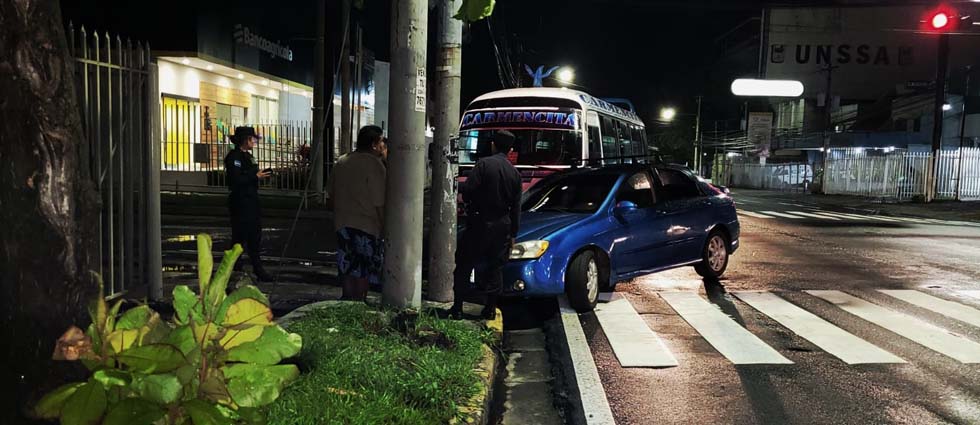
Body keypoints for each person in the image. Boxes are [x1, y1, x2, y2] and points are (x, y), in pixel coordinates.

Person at [448, 130, 522, 320]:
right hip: (502, 226)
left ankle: (457, 308)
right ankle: (489, 308)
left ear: (492, 145)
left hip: (479, 222)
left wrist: (457, 185)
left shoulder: (483, 165)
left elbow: (470, 188)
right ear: (510, 149)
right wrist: (513, 234)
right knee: (495, 268)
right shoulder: (514, 173)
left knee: (464, 265)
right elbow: (516, 208)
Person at [329, 125, 387, 301]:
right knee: (363, 268)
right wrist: (384, 225)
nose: (384, 145)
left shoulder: (342, 161)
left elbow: (330, 192)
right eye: (382, 141)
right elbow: (379, 202)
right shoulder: (375, 166)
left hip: (342, 222)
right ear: (374, 144)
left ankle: (347, 299)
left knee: (347, 264)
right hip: (366, 225)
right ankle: (359, 301)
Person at [224, 126, 273, 282]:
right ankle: (236, 268)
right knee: (240, 236)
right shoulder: (234, 157)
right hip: (240, 201)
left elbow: (251, 174)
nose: (254, 142)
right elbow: (236, 180)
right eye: (252, 139)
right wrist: (255, 176)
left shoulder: (249, 156)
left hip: (251, 200)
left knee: (254, 235)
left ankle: (252, 268)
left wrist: (260, 176)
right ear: (245, 140)